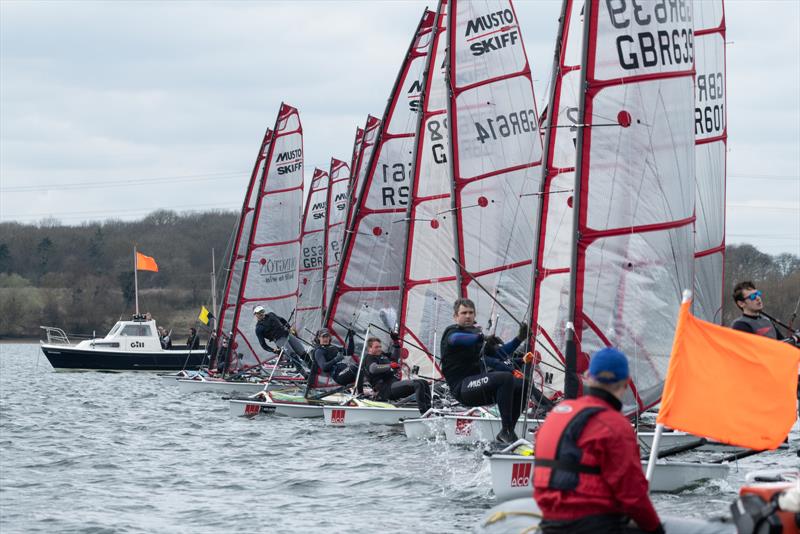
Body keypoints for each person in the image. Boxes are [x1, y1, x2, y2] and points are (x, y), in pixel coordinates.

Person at [533, 347, 663, 534]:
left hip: (549, 524)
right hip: (595, 526)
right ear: (626, 383)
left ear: (587, 377)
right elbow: (633, 496)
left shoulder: (556, 414)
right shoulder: (616, 425)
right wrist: (657, 530)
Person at [440, 298, 531, 444]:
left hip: (479, 387)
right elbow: (457, 340)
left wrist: (519, 339)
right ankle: (507, 431)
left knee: (523, 383)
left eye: (471, 313)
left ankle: (507, 432)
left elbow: (500, 353)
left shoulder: (477, 336)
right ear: (455, 316)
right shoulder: (452, 333)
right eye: (464, 313)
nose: (468, 316)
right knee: (505, 377)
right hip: (462, 389)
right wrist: (481, 337)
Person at [483, 335, 555, 416]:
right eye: (497, 346)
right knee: (526, 386)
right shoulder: (486, 361)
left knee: (527, 385)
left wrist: (523, 360)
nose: (499, 348)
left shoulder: (499, 354)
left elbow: (509, 362)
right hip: (502, 392)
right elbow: (499, 365)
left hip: (512, 386)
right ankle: (552, 409)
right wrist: (513, 371)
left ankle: (549, 407)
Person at [363, 334, 431, 415]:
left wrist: (396, 343)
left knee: (424, 382)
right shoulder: (369, 358)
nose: (379, 349)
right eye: (376, 347)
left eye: (380, 347)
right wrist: (390, 365)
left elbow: (395, 357)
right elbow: (373, 369)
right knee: (418, 384)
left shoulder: (382, 355)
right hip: (385, 389)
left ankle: (430, 409)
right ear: (369, 348)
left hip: (393, 384)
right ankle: (424, 413)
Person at [253, 306, 309, 377]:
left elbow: (282, 319)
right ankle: (306, 376)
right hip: (279, 340)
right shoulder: (258, 328)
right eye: (258, 313)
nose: (261, 313)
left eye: (262, 311)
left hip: (287, 334)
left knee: (303, 353)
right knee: (293, 356)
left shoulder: (271, 314)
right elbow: (263, 344)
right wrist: (273, 350)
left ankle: (315, 370)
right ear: (255, 315)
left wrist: (289, 328)